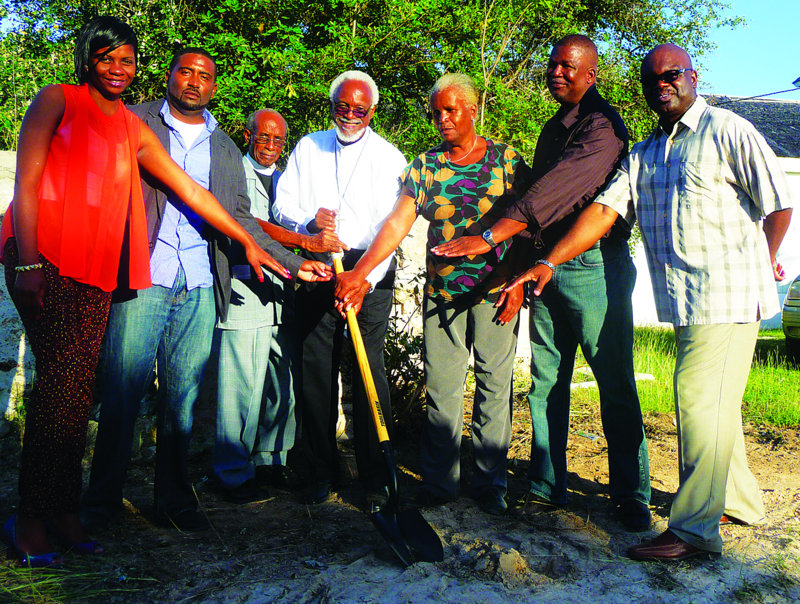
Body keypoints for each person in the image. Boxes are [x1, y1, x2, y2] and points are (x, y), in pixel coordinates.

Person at [0, 17, 304, 566]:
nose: (117, 69)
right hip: (49, 260)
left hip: (98, 272)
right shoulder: (59, 100)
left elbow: (197, 193)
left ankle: (65, 514)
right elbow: (25, 181)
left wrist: (253, 245)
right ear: (87, 59)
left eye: (126, 60)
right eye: (106, 58)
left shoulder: (132, 129)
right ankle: (35, 519)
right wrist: (25, 262)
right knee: (66, 397)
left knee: (77, 398)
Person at [505, 44, 792, 561]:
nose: (662, 84)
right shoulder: (645, 153)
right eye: (651, 79)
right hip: (685, 301)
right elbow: (602, 212)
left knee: (697, 400)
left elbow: (777, 203)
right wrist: (548, 262)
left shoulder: (728, 130)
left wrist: (763, 261)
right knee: (717, 404)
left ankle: (694, 532)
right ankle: (740, 502)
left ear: (692, 76)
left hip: (728, 296)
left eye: (672, 75)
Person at [82, 48, 330, 532]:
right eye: (185, 72)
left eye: (205, 76)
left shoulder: (222, 147)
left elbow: (239, 220)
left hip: (199, 281)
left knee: (183, 398)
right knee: (123, 393)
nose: (194, 81)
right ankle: (101, 503)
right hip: (141, 275)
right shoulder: (134, 121)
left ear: (214, 87)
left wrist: (294, 263)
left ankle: (174, 500)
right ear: (170, 76)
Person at [432, 35, 651, 530]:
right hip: (545, 268)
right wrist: (518, 268)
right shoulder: (552, 129)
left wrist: (490, 236)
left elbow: (557, 192)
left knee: (613, 379)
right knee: (547, 378)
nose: (557, 72)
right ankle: (546, 484)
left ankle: (630, 493)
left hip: (595, 265)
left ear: (591, 74)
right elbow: (539, 208)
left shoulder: (603, 128)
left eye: (569, 66)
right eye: (552, 64)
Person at [335, 73, 526, 516]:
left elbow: (528, 224)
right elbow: (397, 223)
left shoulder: (507, 161)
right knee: (442, 387)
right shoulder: (425, 166)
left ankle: (489, 483)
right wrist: (362, 273)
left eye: (450, 110)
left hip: (496, 291)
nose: (441, 119)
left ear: (473, 110)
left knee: (495, 386)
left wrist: (517, 282)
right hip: (443, 295)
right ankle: (441, 483)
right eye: (436, 111)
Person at [273, 70, 407, 507]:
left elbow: (393, 227)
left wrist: (363, 276)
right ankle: (319, 470)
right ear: (332, 106)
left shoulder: (391, 158)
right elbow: (281, 204)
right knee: (315, 368)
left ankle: (375, 476)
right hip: (318, 264)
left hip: (369, 269)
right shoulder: (309, 146)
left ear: (373, 110)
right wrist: (309, 223)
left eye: (360, 109)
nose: (350, 115)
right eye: (342, 107)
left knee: (368, 371)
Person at [213, 108, 346, 502]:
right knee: (241, 386)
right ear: (248, 135)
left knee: (282, 382)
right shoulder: (234, 171)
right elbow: (250, 224)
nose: (270, 146)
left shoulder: (290, 179)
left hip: (286, 295)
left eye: (277, 140)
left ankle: (271, 460)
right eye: (263, 137)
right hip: (248, 289)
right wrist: (304, 242)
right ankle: (233, 472)